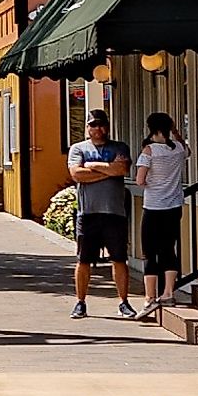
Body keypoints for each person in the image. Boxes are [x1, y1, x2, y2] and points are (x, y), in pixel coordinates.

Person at [67, 110, 135, 319]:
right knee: (84, 260)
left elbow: (122, 169)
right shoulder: (78, 148)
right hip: (88, 213)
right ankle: (80, 302)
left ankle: (124, 302)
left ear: (107, 126)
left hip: (114, 212)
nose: (98, 129)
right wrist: (107, 171)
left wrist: (93, 167)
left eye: (101, 124)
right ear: (87, 128)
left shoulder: (119, 147)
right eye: (93, 125)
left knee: (119, 259)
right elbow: (77, 175)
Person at [132, 112, 188, 317]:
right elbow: (187, 149)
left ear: (150, 127)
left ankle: (149, 297)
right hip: (174, 206)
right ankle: (168, 293)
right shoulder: (179, 148)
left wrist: (152, 185)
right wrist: (176, 133)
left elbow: (139, 180)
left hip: (153, 206)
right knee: (168, 249)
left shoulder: (149, 151)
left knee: (149, 251)